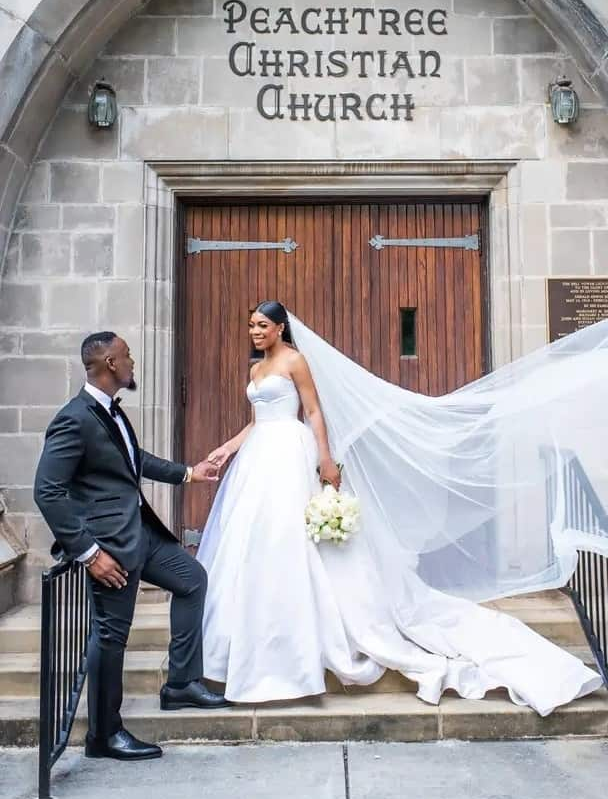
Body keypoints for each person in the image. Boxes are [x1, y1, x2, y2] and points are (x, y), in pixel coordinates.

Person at [197, 301, 604, 714]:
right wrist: (227, 449)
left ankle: (310, 644)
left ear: (281, 328)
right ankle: (253, 642)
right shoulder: (255, 370)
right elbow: (257, 420)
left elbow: (314, 411)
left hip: (290, 453)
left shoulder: (295, 361)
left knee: (294, 538)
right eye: (250, 326)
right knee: (257, 542)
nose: (255, 332)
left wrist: (324, 459)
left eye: (262, 325)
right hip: (259, 459)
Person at [34, 332, 228, 763]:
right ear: (108, 363)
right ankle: (104, 734)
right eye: (127, 356)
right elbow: (47, 491)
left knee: (192, 579)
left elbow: (132, 459)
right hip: (110, 548)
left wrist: (189, 474)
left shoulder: (109, 412)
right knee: (110, 636)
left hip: (141, 534)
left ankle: (180, 683)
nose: (133, 362)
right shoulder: (74, 418)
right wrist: (88, 552)